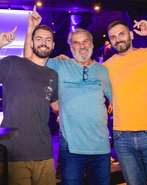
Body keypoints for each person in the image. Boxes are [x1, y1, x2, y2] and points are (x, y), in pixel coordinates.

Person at [24, 9, 112, 185]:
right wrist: (31, 28)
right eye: (76, 43)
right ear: (71, 48)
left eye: (86, 41)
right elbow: (29, 60)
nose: (82, 46)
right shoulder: (60, 65)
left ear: (92, 44)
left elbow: (117, 100)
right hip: (71, 149)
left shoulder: (103, 71)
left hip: (101, 149)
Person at [104, 19, 147, 185]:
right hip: (122, 138)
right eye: (113, 37)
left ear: (131, 35)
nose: (117, 39)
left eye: (121, 34)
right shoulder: (106, 66)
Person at [0, 20, 58, 185]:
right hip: (14, 154)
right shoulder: (12, 63)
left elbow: (56, 106)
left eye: (48, 39)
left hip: (45, 154)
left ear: (53, 45)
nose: (43, 43)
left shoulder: (53, 75)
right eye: (38, 38)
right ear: (31, 43)